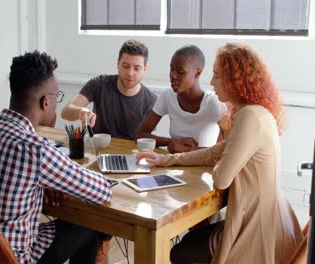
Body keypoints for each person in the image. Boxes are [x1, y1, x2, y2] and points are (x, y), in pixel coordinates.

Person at [136, 43, 302, 263]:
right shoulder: (254, 112)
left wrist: (223, 161)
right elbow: (215, 152)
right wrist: (165, 159)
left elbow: (222, 178)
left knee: (180, 253)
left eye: (217, 76)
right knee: (187, 244)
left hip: (256, 227)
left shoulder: (249, 117)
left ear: (235, 80)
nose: (212, 82)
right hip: (264, 216)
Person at [0, 51, 112, 264]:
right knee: (92, 221)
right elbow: (102, 192)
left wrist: (42, 185)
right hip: (15, 257)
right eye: (58, 97)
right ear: (46, 102)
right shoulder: (35, 149)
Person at [136, 45, 226, 154]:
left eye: (180, 72)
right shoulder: (167, 96)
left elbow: (229, 149)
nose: (173, 76)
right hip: (172, 165)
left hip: (202, 168)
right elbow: (141, 135)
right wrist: (174, 142)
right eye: (171, 69)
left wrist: (189, 150)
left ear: (197, 73)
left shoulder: (214, 102)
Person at [61, 39, 157, 140]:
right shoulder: (99, 84)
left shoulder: (151, 101)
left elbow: (145, 138)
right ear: (118, 64)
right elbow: (65, 112)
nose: (130, 73)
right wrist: (81, 111)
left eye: (137, 68)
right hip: (98, 150)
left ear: (145, 69)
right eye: (125, 66)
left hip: (130, 154)